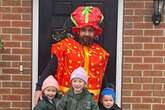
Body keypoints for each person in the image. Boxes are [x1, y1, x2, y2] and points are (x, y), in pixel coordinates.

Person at [34, 6, 110, 105]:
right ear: (78, 31)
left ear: (95, 33)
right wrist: (39, 87)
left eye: (90, 31)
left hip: (89, 103)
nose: (86, 34)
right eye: (83, 30)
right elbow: (50, 69)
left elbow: (102, 77)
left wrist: (108, 95)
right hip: (65, 101)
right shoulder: (65, 47)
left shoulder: (101, 53)